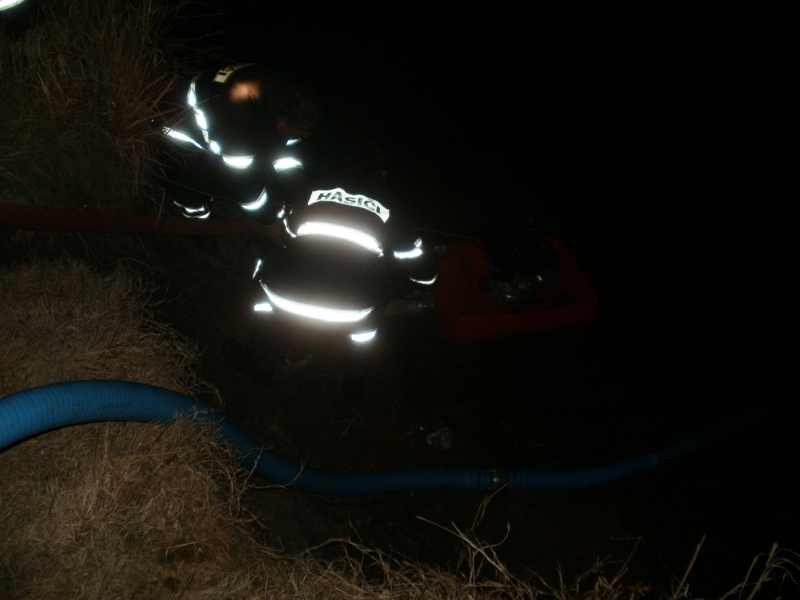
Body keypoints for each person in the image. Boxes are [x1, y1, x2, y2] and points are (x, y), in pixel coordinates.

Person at [230, 140, 439, 398]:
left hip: (285, 301)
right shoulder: (393, 207)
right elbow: (420, 267)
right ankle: (353, 387)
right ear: (383, 172)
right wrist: (426, 283)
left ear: (346, 164)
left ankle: (261, 362)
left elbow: (288, 235)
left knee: (270, 266)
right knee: (367, 327)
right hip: (352, 314)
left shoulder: (313, 188)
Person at [157, 62, 320, 223]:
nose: (293, 139)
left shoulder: (287, 96)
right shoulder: (238, 112)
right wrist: (271, 215)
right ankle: (193, 221)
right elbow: (241, 183)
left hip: (220, 120)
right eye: (295, 134)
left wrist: (299, 193)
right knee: (198, 179)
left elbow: (285, 156)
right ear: (282, 122)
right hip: (179, 127)